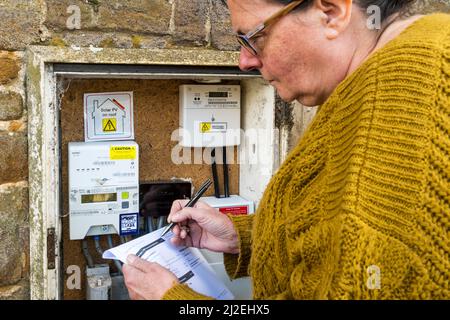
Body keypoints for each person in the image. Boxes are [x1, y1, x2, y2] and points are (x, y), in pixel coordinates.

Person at [122, 0, 450, 299]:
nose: (245, 61)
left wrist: (175, 300)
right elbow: (333, 236)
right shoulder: (369, 80)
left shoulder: (411, 98)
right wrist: (244, 239)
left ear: (332, 12)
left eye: (252, 38)